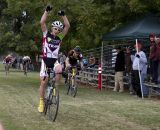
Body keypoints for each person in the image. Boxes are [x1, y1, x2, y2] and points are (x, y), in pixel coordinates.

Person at [38, 5, 70, 113]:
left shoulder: (60, 37)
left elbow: (67, 26)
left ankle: (55, 88)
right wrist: (46, 11)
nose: (57, 30)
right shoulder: (46, 34)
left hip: (54, 60)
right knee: (43, 82)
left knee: (59, 69)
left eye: (59, 29)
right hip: (46, 61)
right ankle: (41, 101)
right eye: (55, 28)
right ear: (52, 28)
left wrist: (63, 15)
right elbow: (42, 22)